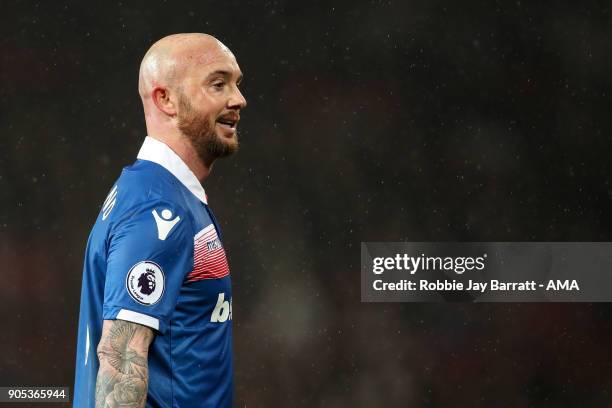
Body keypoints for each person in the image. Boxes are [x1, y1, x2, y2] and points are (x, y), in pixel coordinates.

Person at [73, 33, 247, 407]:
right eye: (218, 84)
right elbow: (119, 360)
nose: (238, 99)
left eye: (236, 84)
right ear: (164, 99)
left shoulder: (165, 196)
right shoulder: (158, 209)